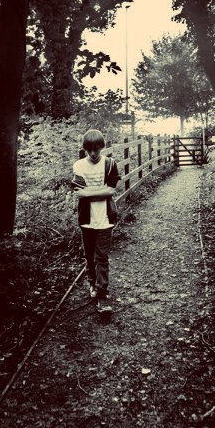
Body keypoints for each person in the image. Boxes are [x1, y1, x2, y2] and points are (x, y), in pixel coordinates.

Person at [72, 129, 121, 314]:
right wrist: (99, 191)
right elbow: (79, 193)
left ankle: (102, 293)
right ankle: (92, 283)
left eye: (97, 149)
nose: (93, 153)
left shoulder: (110, 164)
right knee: (89, 255)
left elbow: (111, 190)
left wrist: (88, 193)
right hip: (86, 218)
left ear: (102, 147)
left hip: (105, 218)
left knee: (102, 256)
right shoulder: (79, 166)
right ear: (85, 149)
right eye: (90, 149)